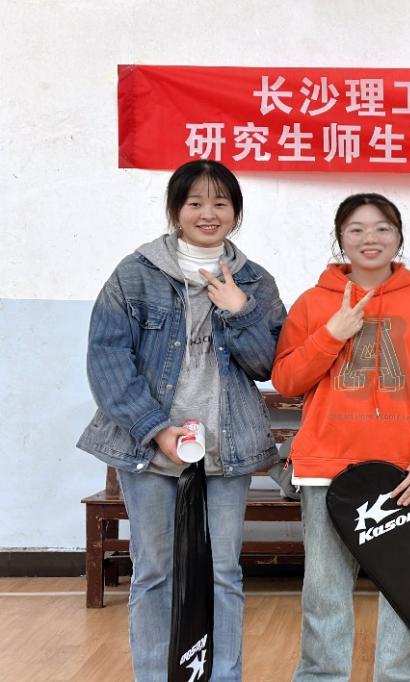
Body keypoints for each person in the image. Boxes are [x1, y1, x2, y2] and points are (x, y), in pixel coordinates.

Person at [77, 159, 285, 681]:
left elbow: (269, 365)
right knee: (154, 571)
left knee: (224, 572)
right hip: (149, 447)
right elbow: (107, 360)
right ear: (176, 210)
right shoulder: (135, 274)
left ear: (236, 213)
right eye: (195, 203)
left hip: (226, 449)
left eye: (220, 203)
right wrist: (155, 427)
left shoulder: (255, 280)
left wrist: (239, 310)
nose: (208, 213)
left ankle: (224, 676)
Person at [272, 192, 410, 682]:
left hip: (407, 470)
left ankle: (404, 678)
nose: (369, 238)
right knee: (325, 588)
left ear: (399, 237)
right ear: (340, 239)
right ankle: (320, 677)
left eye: (382, 228)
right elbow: (287, 380)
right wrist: (331, 334)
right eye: (356, 229)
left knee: (408, 588)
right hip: (326, 467)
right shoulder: (314, 303)